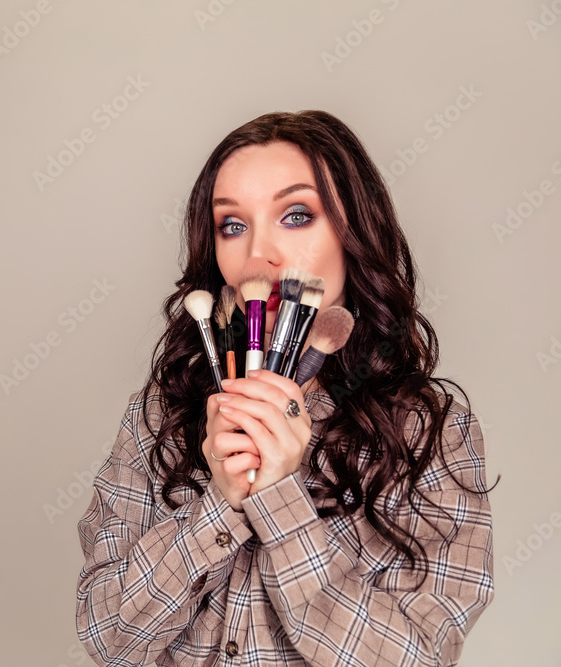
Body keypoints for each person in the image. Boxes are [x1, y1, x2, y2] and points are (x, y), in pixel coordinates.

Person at [75, 110, 495, 666]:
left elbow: (414, 659)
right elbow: (109, 641)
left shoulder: (427, 429)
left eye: (296, 215)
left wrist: (278, 499)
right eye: (232, 225)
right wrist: (220, 505)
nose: (258, 256)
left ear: (354, 237)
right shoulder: (160, 415)